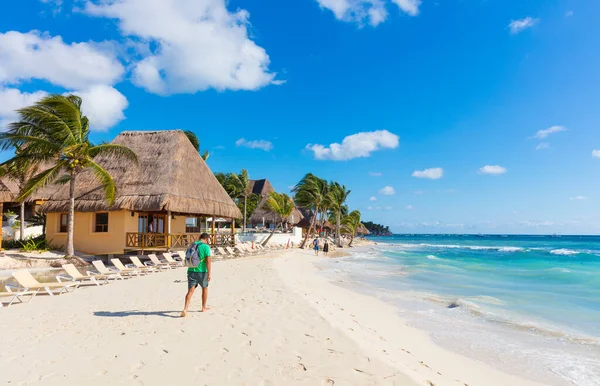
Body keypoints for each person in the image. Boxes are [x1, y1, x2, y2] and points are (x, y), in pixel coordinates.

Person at [181, 233, 212, 317]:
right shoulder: (206, 247)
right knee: (204, 288)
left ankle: (185, 308)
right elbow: (208, 261)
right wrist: (209, 273)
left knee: (190, 291)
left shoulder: (192, 245)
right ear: (206, 239)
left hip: (191, 270)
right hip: (202, 271)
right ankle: (203, 307)